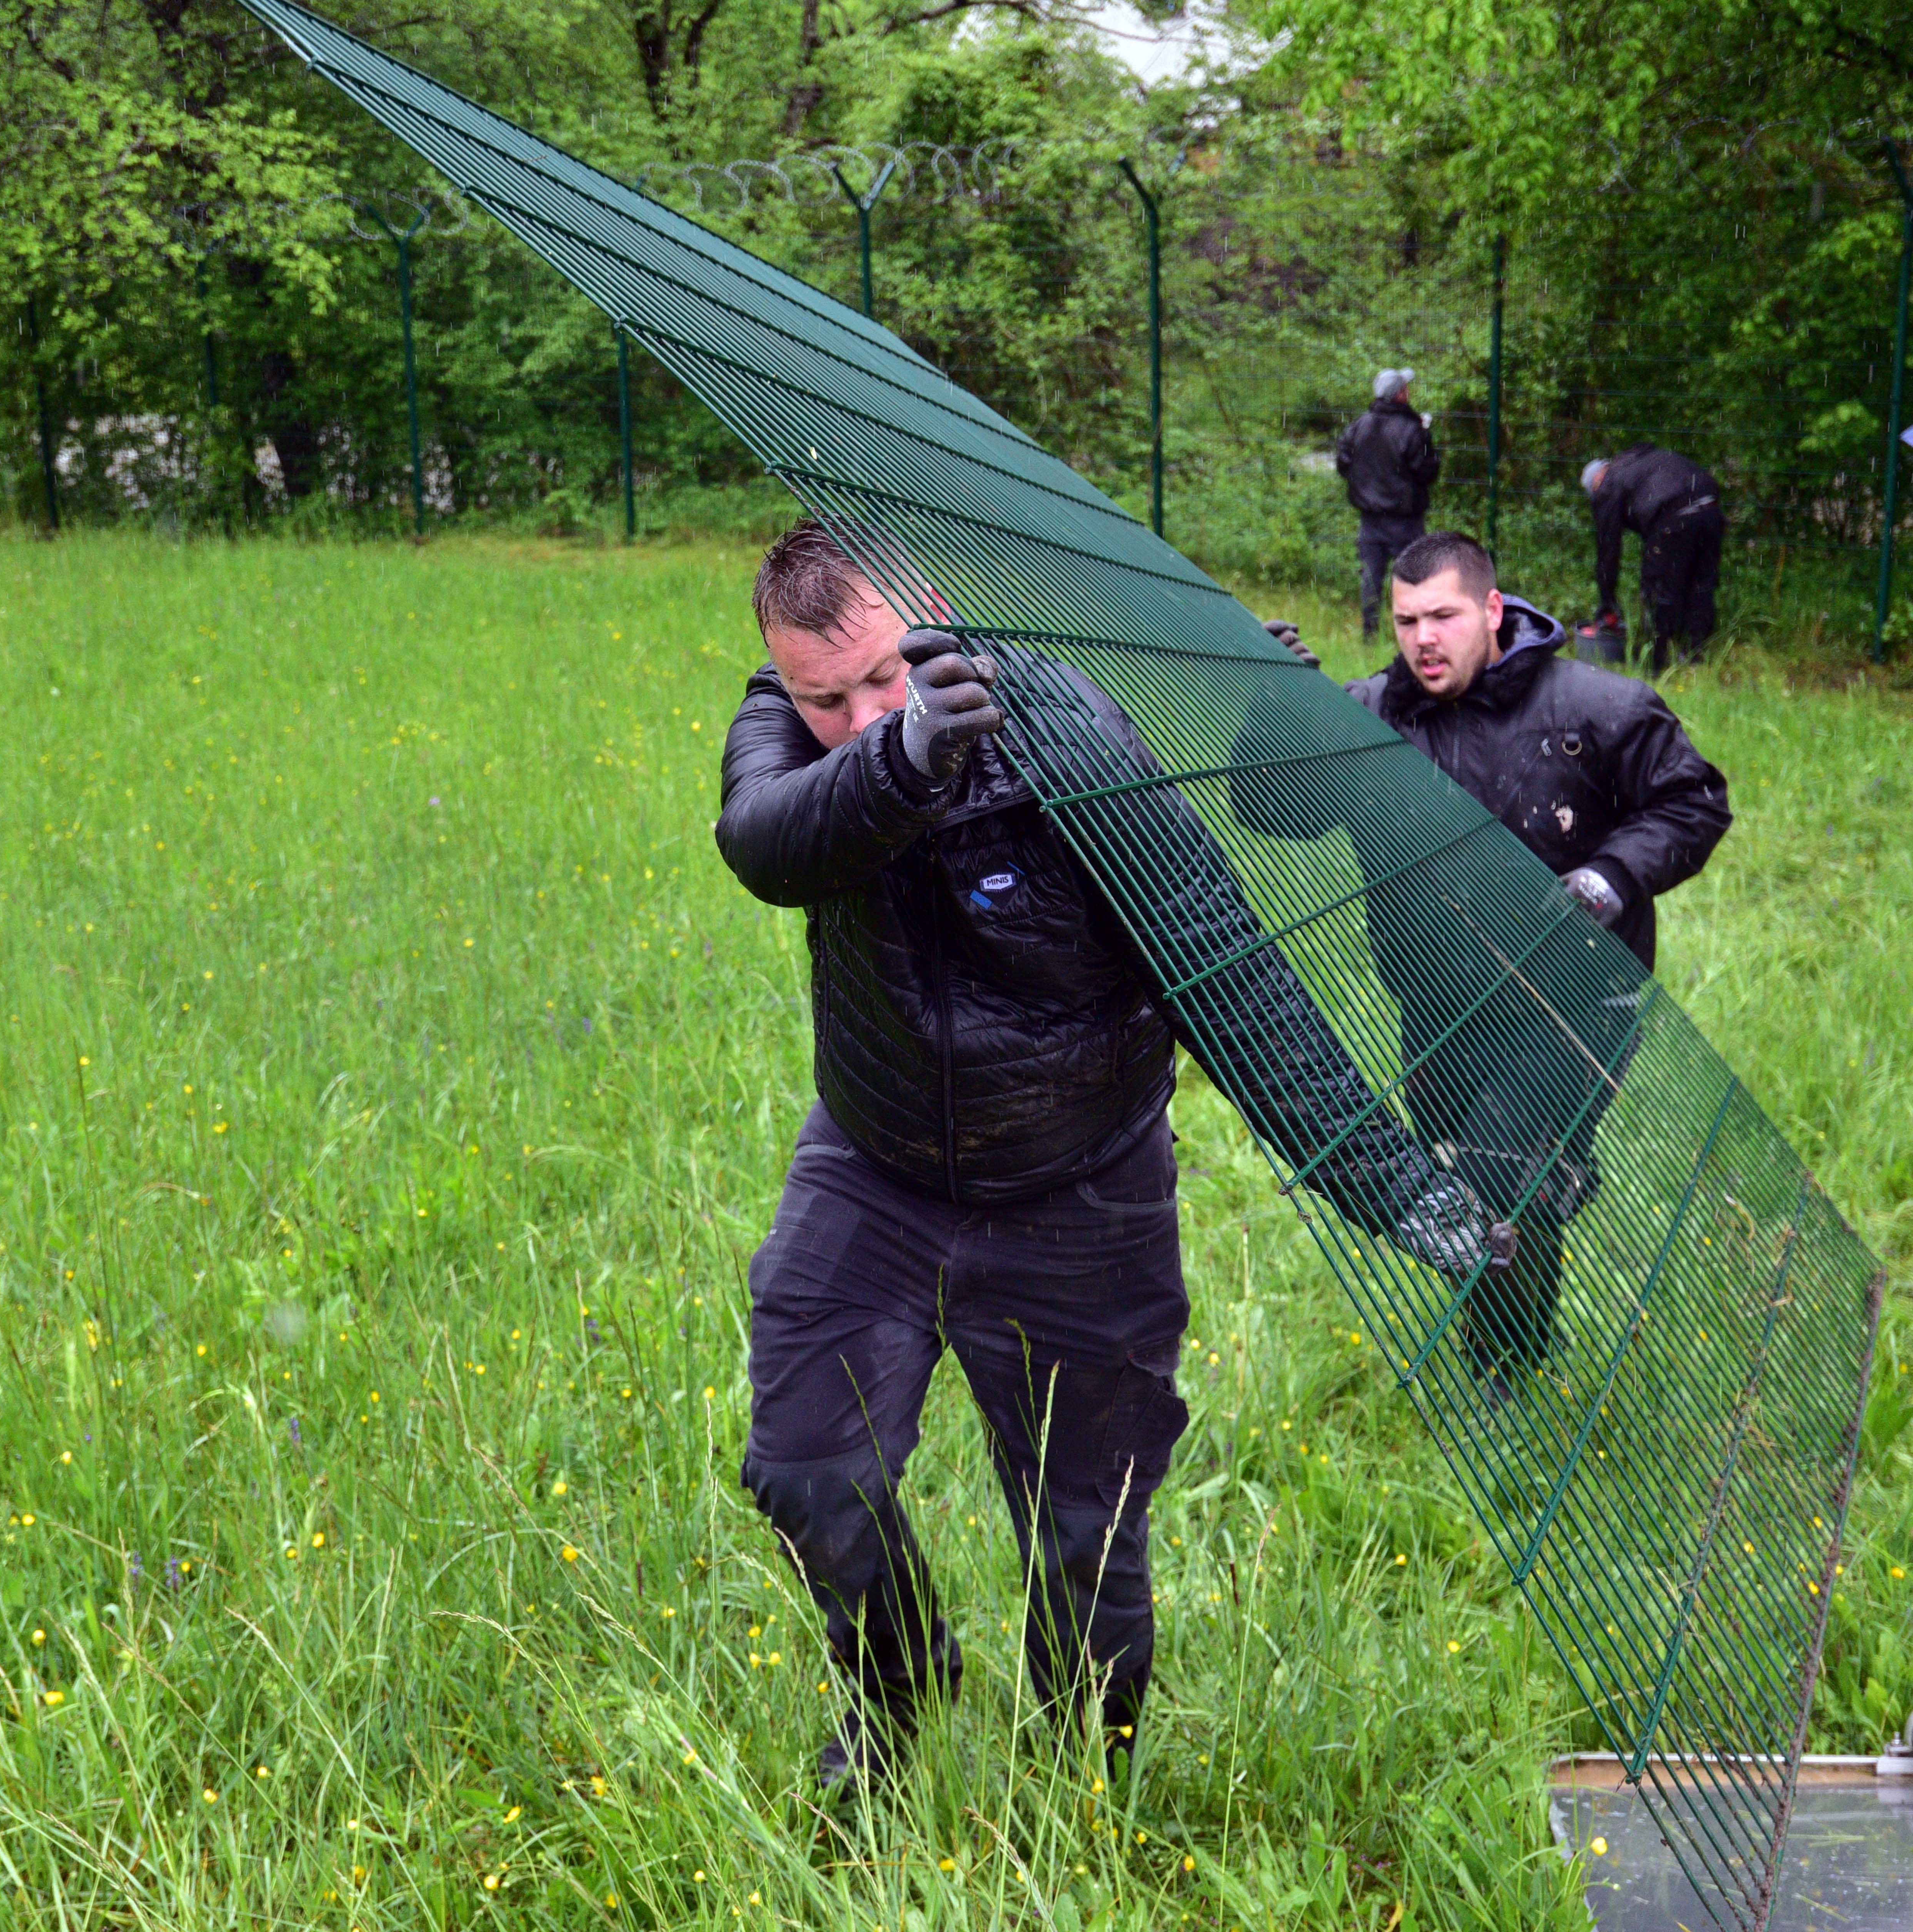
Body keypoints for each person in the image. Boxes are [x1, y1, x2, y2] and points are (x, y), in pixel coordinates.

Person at [715, 520, 1492, 1798]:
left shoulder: (1072, 748)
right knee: (805, 1469)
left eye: (882, 678)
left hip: (1084, 1186)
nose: (853, 715)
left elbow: (1230, 984)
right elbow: (764, 840)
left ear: (933, 615)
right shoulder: (787, 727)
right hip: (877, 1164)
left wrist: (1395, 1187)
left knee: (1085, 1528)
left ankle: (1088, 1774)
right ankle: (899, 1683)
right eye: (822, 696)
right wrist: (901, 756)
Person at [1229, 531, 1731, 1395]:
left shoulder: (1595, 710)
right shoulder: (1364, 721)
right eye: (1405, 620)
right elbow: (1271, 810)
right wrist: (1277, 706)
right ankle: (1551, 1190)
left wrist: (1608, 877)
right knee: (1461, 1171)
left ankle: (1503, 1361)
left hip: (1571, 1004)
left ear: (1491, 611)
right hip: (1433, 1006)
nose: (1422, 638)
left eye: (1443, 616)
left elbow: (1691, 800)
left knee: (1502, 1164)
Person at [1579, 446, 1724, 667]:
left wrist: (1607, 601)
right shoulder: (1635, 461)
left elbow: (1608, 550)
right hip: (1710, 507)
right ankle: (1696, 656)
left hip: (1674, 516)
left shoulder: (1609, 485)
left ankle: (1657, 661)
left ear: (1595, 483)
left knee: (1660, 589)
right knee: (1701, 584)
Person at [1335, 368, 1441, 641]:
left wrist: (1366, 485)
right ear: (1400, 395)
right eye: (1406, 388)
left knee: (1371, 579)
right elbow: (1428, 471)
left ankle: (1369, 636)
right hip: (1405, 520)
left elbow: (1342, 463)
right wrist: (1426, 438)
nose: (1408, 392)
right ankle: (1415, 634)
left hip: (1370, 519)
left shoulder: (1359, 426)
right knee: (1413, 579)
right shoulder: (1412, 430)